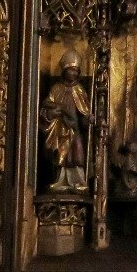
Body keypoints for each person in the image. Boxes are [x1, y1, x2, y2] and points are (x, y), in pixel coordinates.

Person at [40, 49, 92, 193]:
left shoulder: (79, 90)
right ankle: (60, 181)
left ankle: (78, 181)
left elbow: (84, 111)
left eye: (76, 71)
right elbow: (46, 105)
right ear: (64, 71)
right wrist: (53, 112)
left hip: (74, 128)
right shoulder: (56, 89)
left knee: (77, 154)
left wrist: (88, 118)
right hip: (60, 129)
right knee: (61, 156)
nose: (73, 73)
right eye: (70, 70)